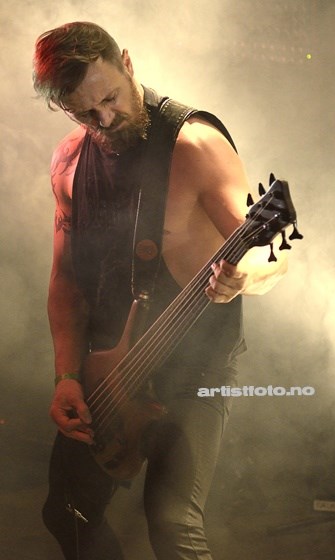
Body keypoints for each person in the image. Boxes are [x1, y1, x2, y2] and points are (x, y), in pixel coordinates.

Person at [33, 21, 288, 560]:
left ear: (127, 63)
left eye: (110, 98)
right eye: (85, 113)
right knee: (67, 512)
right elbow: (66, 281)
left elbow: (274, 256)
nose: (104, 120)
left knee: (173, 526)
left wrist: (244, 278)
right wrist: (67, 376)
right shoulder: (69, 162)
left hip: (194, 373)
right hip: (109, 370)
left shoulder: (194, 146)